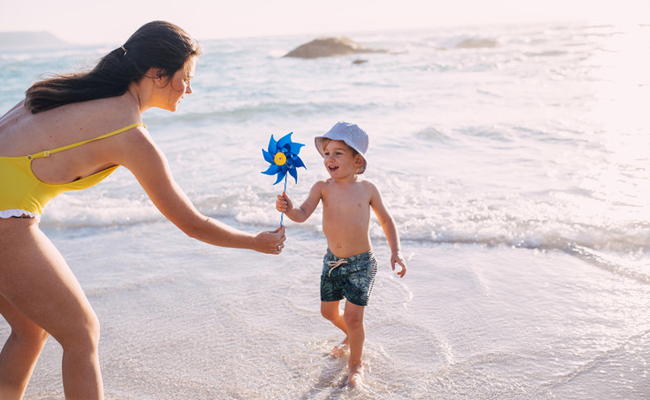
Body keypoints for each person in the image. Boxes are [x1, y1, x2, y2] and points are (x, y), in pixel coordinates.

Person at [0, 21, 286, 400]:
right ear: (157, 73)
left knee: (30, 331)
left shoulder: (60, 92)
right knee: (82, 334)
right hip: (6, 222)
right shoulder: (128, 133)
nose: (190, 89)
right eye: (186, 78)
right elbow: (192, 224)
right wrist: (255, 241)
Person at [276, 121, 407, 387]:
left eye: (337, 153)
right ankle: (353, 336)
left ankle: (356, 365)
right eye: (326, 153)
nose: (329, 159)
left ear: (357, 160)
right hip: (332, 263)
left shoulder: (367, 189)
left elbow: (386, 219)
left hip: (361, 264)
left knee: (353, 317)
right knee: (327, 312)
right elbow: (301, 215)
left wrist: (396, 251)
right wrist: (288, 209)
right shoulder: (322, 187)